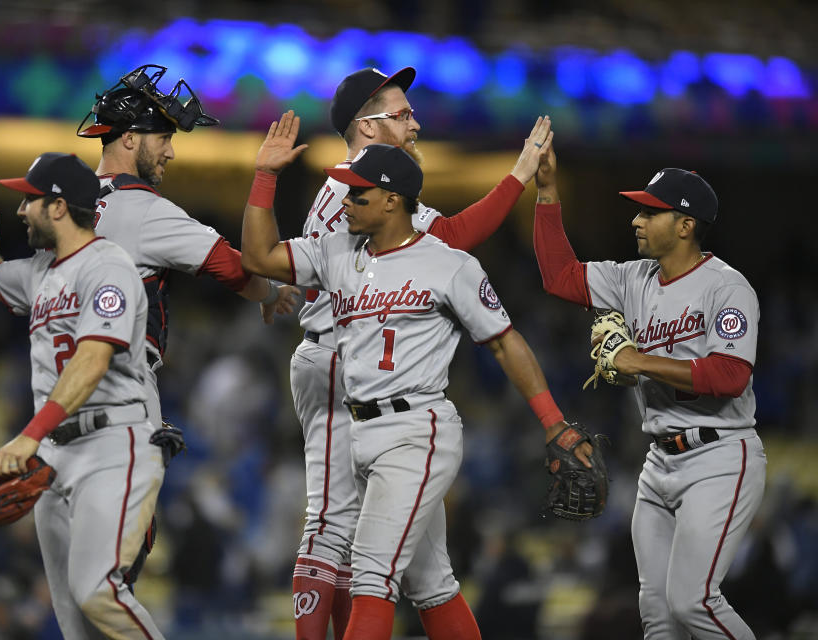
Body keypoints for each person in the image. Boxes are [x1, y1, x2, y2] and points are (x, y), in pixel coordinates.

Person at [241, 113, 589, 640]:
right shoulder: (338, 251)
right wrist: (264, 177)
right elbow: (258, 255)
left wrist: (554, 422)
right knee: (432, 585)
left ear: (392, 200)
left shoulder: (447, 264)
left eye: (359, 194)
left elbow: (505, 343)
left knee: (372, 576)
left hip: (416, 430)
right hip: (362, 432)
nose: (346, 201)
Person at [531, 142, 766, 639]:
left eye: (650, 212)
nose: (636, 221)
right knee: (657, 615)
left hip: (719, 455)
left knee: (694, 602)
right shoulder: (633, 277)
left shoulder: (727, 288)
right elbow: (559, 277)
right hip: (659, 462)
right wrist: (547, 192)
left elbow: (730, 376)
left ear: (685, 225)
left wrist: (637, 360)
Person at [0, 140, 166, 639]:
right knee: (71, 619)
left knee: (98, 592)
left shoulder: (109, 267)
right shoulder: (43, 272)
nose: (21, 209)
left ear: (59, 206)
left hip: (112, 444)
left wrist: (30, 434)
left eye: (29, 199)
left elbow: (92, 359)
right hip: (56, 457)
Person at [76, 64, 298, 429]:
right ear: (130, 138)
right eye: (163, 137)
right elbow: (229, 266)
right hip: (117, 380)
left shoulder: (63, 204)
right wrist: (271, 295)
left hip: (58, 376)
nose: (171, 152)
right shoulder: (142, 208)